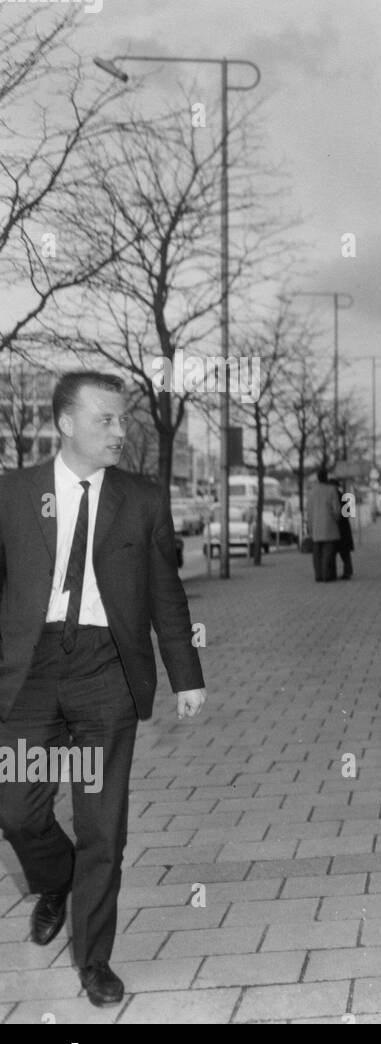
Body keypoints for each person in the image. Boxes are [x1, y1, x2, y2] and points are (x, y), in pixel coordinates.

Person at [0, 371, 207, 1007]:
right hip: (30, 674)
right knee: (17, 809)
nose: (121, 431)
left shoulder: (141, 498)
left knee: (102, 826)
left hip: (103, 673)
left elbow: (164, 590)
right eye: (106, 421)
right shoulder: (13, 494)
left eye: (123, 420)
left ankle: (94, 960)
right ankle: (55, 880)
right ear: (65, 424)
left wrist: (186, 675)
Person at [306, 465, 341, 582]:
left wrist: (310, 526)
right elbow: (336, 510)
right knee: (328, 552)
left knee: (317, 554)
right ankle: (327, 575)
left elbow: (309, 511)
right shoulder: (331, 490)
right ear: (326, 477)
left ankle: (318, 575)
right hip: (329, 526)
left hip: (316, 527)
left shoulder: (311, 492)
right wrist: (337, 520)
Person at [332, 478, 354, 580]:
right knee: (345, 553)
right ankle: (348, 571)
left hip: (337, 527)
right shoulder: (343, 496)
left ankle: (337, 572)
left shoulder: (334, 497)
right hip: (344, 527)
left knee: (335, 551)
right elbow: (348, 513)